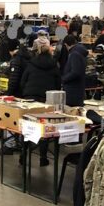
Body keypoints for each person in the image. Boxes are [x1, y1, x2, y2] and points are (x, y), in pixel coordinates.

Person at [20, 38, 61, 166]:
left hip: (30, 98)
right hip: (45, 99)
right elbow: (58, 85)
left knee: (27, 128)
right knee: (44, 128)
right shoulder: (54, 65)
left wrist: (25, 93)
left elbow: (23, 81)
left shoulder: (31, 63)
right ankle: (43, 158)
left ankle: (23, 155)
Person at [61, 35, 88, 107]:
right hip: (78, 89)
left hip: (72, 91)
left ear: (66, 44)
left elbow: (75, 72)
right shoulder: (80, 52)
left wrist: (63, 79)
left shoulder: (74, 54)